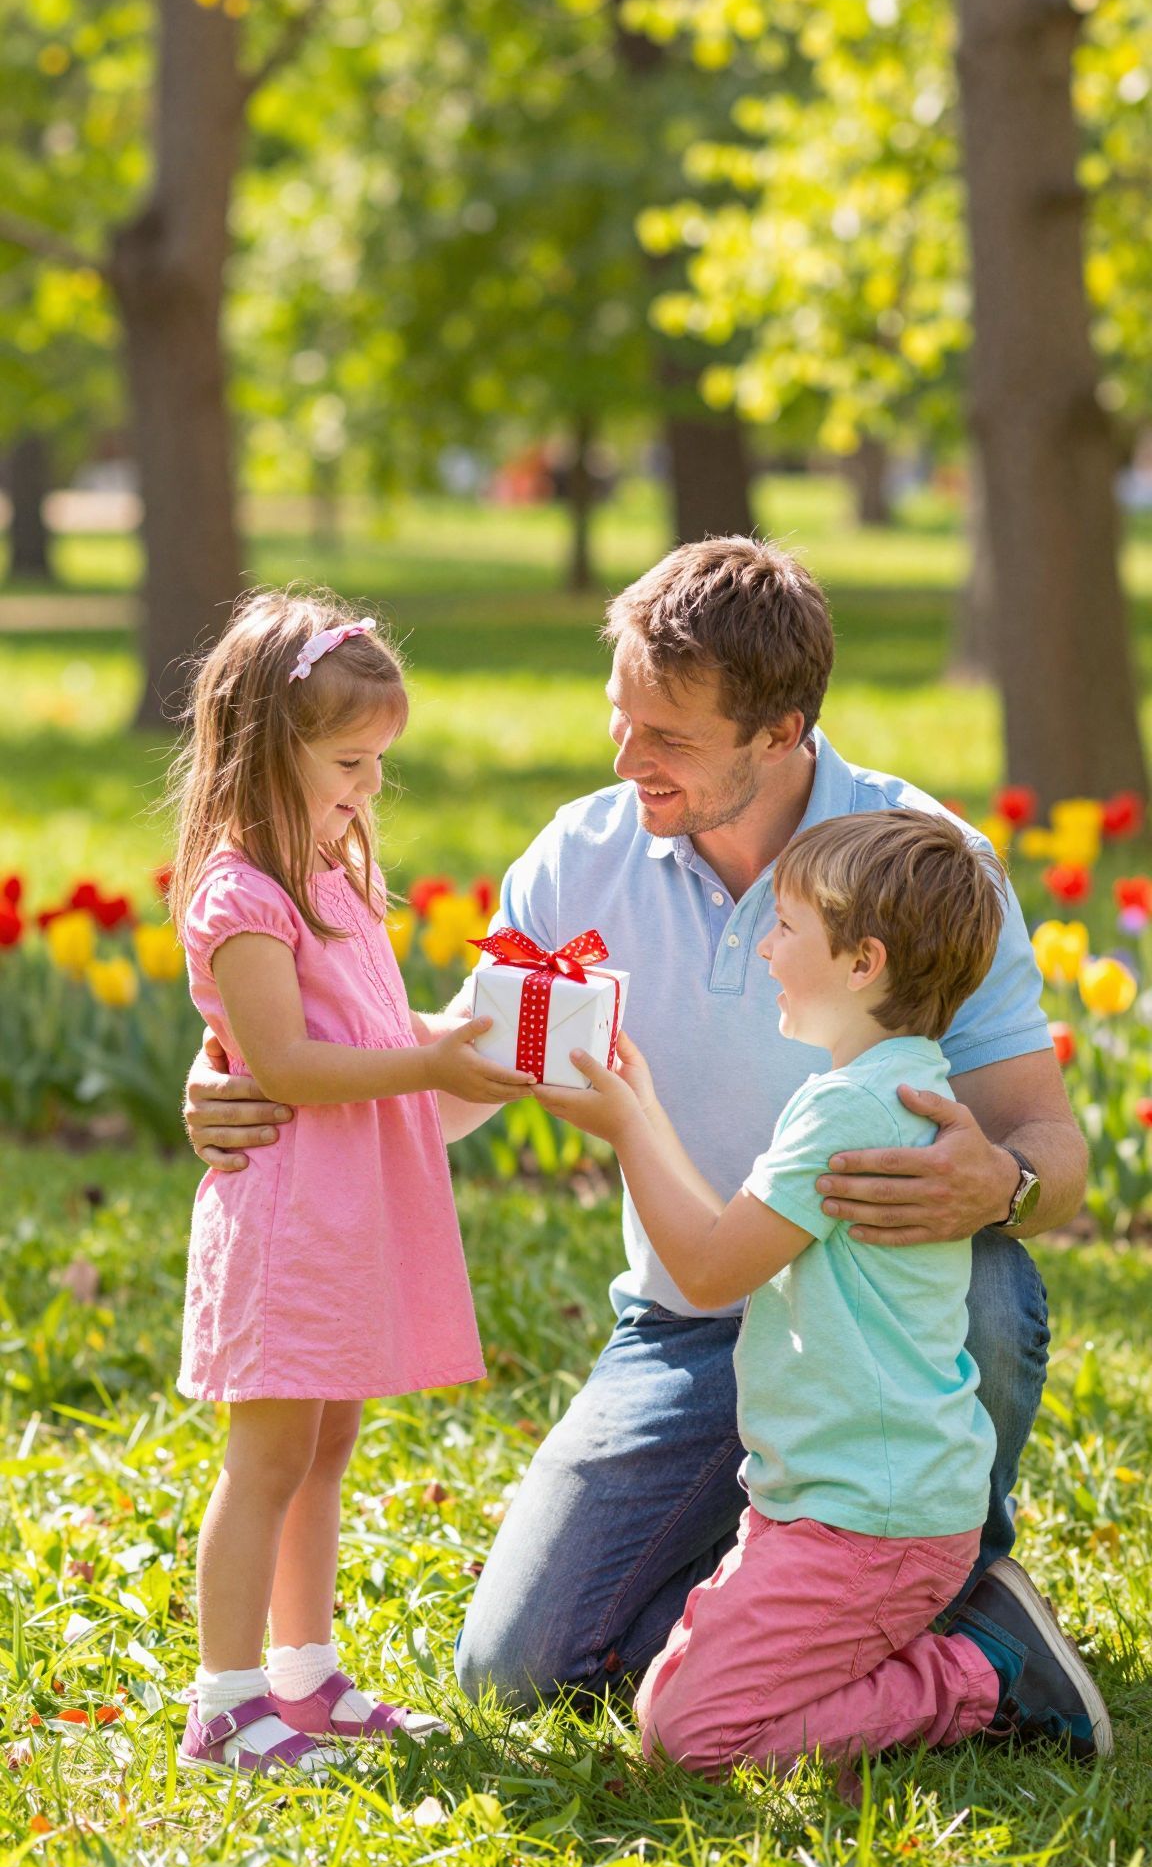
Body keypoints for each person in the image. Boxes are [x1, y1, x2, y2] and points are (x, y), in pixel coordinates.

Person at [181, 538, 1104, 1753]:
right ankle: (807, 1597)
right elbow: (460, 1074)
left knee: (985, 1292)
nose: (629, 761)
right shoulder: (583, 855)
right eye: (622, 719)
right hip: (690, 1319)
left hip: (880, 1308)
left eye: (668, 737)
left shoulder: (917, 866)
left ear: (782, 730)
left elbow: (1054, 1144)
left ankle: (931, 1591)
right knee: (516, 1672)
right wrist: (257, 1064)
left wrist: (1008, 1180)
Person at [534, 809, 1110, 1772]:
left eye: (788, 927)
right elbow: (729, 1228)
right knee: (666, 1700)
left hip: (866, 1523)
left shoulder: (847, 1105)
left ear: (861, 964)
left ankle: (982, 1670)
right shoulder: (897, 1083)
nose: (764, 947)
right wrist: (638, 1109)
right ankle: (950, 1640)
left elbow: (714, 1266)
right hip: (849, 1502)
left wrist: (627, 1131)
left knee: (688, 1737)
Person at [169, 589, 533, 1778]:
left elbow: (371, 1020)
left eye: (379, 762)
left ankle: (304, 1671)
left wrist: (477, 1036)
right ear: (265, 751)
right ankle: (224, 1701)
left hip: (346, 1212)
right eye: (350, 763)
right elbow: (284, 1059)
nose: (370, 788)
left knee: (326, 1446)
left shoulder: (328, 870)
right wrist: (429, 1058)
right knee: (266, 1455)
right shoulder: (241, 894)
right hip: (286, 1212)